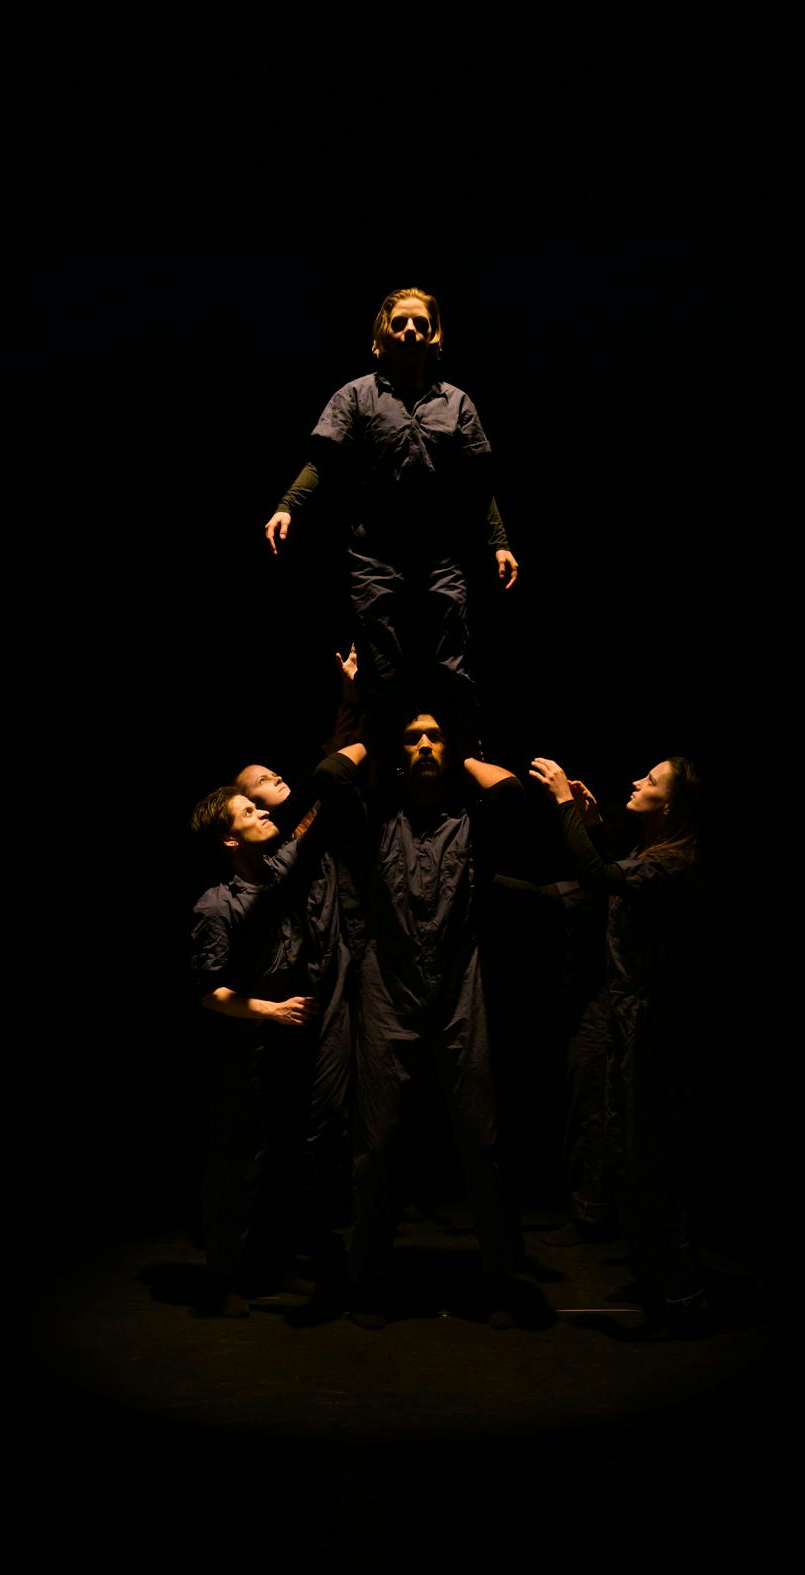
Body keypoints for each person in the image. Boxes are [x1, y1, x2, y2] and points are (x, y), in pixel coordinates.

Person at [316, 707, 541, 1330]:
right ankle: (366, 1282)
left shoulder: (471, 822)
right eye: (413, 738)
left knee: (482, 1141)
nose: (423, 746)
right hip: (387, 991)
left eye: (433, 738)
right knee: (377, 1144)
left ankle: (500, 1281)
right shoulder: (375, 822)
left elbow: (512, 793)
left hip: (459, 991)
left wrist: (460, 752)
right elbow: (330, 778)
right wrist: (372, 740)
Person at [263, 286, 518, 748]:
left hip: (440, 555)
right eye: (400, 323)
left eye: (421, 323)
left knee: (451, 661)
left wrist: (499, 542)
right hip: (375, 553)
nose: (411, 330)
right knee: (383, 666)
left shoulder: (457, 403)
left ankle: (464, 757)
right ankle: (382, 763)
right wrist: (287, 506)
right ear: (383, 335)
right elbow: (323, 462)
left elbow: (477, 484)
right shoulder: (356, 396)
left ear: (434, 335)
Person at [527, 753, 706, 1333]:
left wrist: (564, 805)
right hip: (627, 1008)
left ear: (670, 803)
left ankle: (681, 1293)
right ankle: (658, 1280)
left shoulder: (675, 861)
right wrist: (593, 824)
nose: (636, 781)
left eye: (650, 780)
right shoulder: (652, 851)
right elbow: (614, 873)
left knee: (650, 1154)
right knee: (621, 1138)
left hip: (652, 1017)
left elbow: (603, 878)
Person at [189, 743, 364, 1317]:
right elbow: (209, 992)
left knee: (282, 1158)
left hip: (286, 1040)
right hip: (245, 1047)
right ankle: (222, 1277)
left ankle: (267, 1263)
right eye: (249, 811)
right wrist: (270, 1010)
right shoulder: (216, 906)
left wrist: (347, 734)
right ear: (229, 840)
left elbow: (312, 818)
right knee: (239, 1163)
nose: (263, 813)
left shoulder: (281, 871)